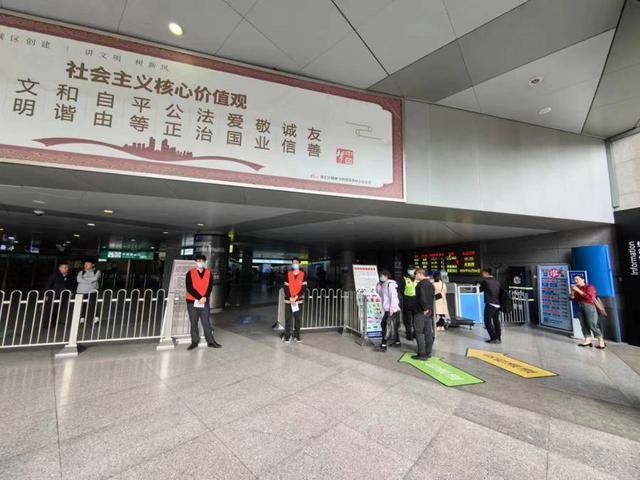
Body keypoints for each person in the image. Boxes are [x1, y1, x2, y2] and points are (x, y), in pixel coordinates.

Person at [185, 255, 221, 350]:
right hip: (192, 301)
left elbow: (210, 287)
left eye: (202, 261)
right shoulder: (190, 273)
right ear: (196, 262)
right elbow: (189, 287)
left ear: (205, 262)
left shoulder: (209, 273)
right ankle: (194, 341)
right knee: (194, 322)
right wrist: (199, 297)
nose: (200, 262)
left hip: (204, 301)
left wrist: (204, 297)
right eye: (198, 260)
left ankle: (210, 341)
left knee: (206, 322)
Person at [571, 274, 606, 349]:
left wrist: (578, 291)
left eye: (577, 279)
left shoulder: (589, 287)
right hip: (580, 306)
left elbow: (589, 297)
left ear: (583, 279)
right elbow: (573, 299)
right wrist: (573, 293)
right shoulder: (577, 288)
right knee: (583, 324)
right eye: (574, 279)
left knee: (592, 324)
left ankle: (601, 341)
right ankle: (587, 341)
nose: (575, 281)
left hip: (589, 306)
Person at [375, 270, 401, 352]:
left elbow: (393, 297)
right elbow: (380, 293)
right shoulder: (383, 285)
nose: (381, 277)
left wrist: (392, 309)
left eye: (382, 275)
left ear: (386, 276)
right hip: (388, 309)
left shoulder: (390, 285)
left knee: (385, 326)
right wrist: (378, 285)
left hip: (392, 309)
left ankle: (383, 345)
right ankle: (397, 342)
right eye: (380, 276)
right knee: (392, 326)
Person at [282, 258, 307, 344]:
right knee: (288, 319)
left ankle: (297, 335)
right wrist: (290, 298)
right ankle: (287, 336)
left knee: (297, 319)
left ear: (299, 264)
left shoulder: (303, 274)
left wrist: (296, 297)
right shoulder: (288, 274)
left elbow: (304, 288)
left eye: (296, 262)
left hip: (298, 300)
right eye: (293, 263)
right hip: (288, 300)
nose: (294, 264)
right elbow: (285, 287)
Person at [413, 268, 435, 360]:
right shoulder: (431, 284)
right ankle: (428, 352)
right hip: (429, 311)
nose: (414, 276)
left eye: (415, 274)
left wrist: (424, 308)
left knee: (419, 332)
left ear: (420, 274)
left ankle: (421, 354)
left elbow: (422, 297)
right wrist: (428, 309)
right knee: (428, 332)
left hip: (420, 311)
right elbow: (432, 298)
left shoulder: (420, 285)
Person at [480, 268, 502, 344]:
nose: (482, 274)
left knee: (487, 321)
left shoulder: (485, 281)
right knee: (496, 321)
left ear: (486, 273)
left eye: (483, 273)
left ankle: (493, 338)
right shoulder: (496, 281)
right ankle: (498, 338)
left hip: (490, 303)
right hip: (497, 304)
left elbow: (480, 289)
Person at [76, 260, 101, 324]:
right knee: (82, 305)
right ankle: (82, 318)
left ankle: (96, 317)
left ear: (93, 265)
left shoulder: (96, 271)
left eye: (88, 264)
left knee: (93, 304)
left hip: (92, 291)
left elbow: (95, 278)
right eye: (85, 264)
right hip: (81, 291)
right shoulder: (81, 272)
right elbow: (78, 279)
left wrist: (83, 280)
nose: (86, 265)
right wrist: (89, 281)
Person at [400, 265, 418, 340]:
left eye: (412, 269)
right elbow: (401, 289)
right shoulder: (405, 278)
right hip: (407, 301)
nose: (410, 271)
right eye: (409, 269)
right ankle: (409, 334)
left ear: (415, 270)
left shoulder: (418, 278)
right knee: (407, 319)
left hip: (416, 302)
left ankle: (415, 334)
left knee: (416, 319)